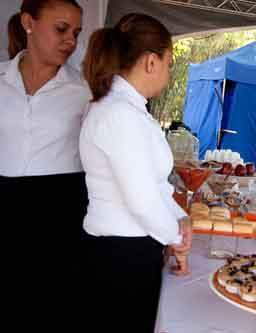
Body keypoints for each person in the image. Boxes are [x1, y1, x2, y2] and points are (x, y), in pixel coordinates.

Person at [80, 13, 192, 332]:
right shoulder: (117, 114)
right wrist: (176, 237)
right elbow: (142, 201)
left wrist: (179, 219)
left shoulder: (129, 111)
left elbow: (155, 185)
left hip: (133, 250)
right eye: (169, 63)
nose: (168, 74)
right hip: (120, 256)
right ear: (150, 62)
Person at [1, 0, 89, 329]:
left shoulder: (84, 92)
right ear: (28, 23)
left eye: (76, 32)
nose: (71, 40)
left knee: (49, 310)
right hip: (4, 210)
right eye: (61, 29)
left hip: (59, 216)